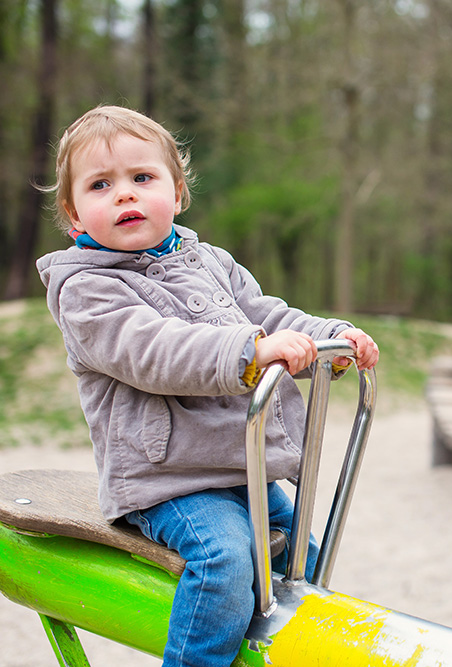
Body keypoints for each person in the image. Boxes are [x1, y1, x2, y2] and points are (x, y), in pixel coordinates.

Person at [35, 105, 379, 667]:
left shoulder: (211, 261)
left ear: (177, 193)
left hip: (242, 467)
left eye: (142, 178)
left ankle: (284, 655)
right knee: (224, 560)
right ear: (75, 216)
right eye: (101, 185)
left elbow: (270, 315)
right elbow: (154, 348)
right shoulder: (86, 292)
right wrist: (249, 350)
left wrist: (329, 337)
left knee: (304, 558)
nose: (125, 195)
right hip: (168, 479)